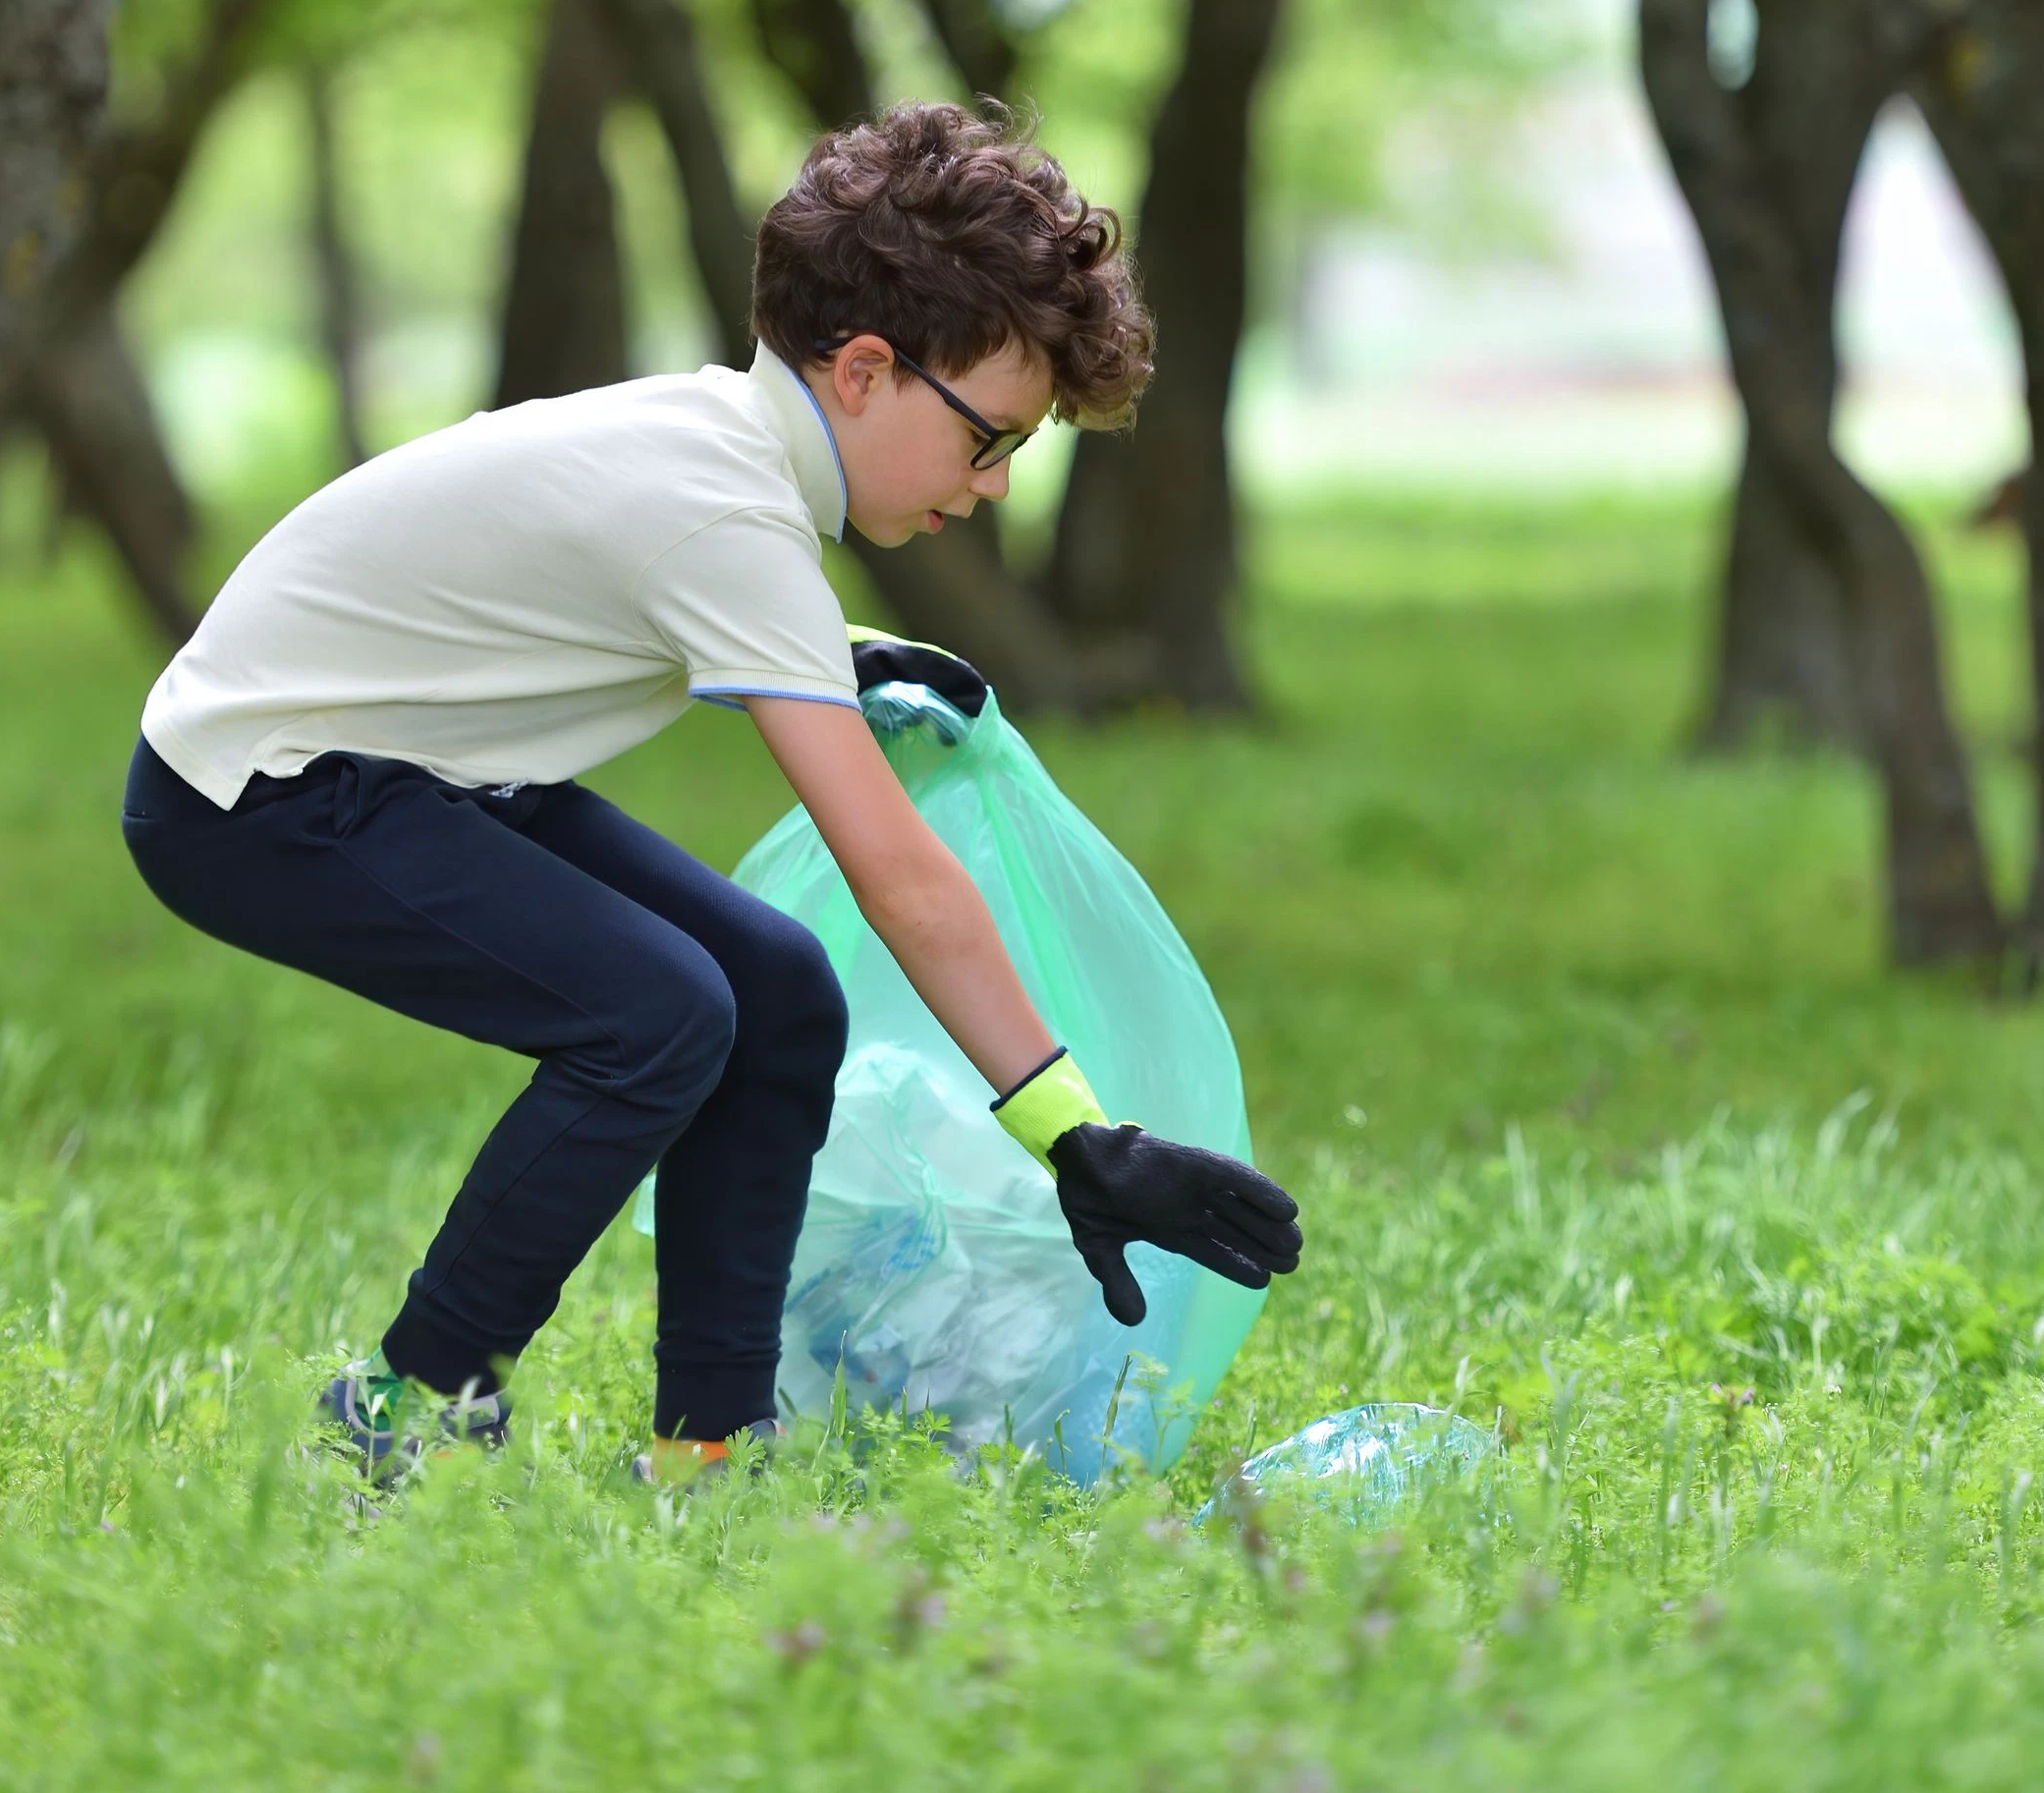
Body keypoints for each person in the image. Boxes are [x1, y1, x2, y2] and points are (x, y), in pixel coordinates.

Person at [119, 102, 1304, 1485]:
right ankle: (404, 1403)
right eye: (988, 441)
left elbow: (601, 595)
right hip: (258, 796)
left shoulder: (720, 456)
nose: (986, 490)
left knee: (777, 989)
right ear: (865, 369)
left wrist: (840, 653)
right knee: (657, 1014)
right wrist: (1072, 1134)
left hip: (420, 766)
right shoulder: (723, 504)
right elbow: (899, 872)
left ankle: (707, 1446)